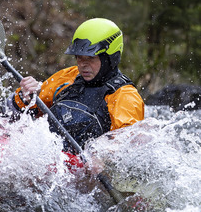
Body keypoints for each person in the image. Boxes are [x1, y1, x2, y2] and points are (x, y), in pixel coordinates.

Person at [7, 18, 145, 154]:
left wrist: (102, 156)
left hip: (81, 170)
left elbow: (126, 146)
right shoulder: (69, 76)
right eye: (79, 57)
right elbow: (13, 112)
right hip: (45, 155)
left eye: (91, 58)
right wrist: (26, 96)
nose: (83, 65)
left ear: (110, 57)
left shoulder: (125, 96)